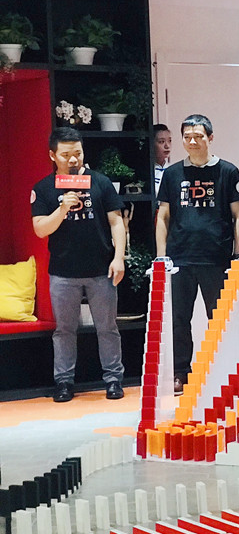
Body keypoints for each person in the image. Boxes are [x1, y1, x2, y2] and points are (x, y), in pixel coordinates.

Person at [31, 127, 126, 402]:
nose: (73, 159)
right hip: (63, 273)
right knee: (64, 330)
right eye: (66, 154)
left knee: (107, 328)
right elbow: (40, 229)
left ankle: (113, 380)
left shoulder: (100, 182)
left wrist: (119, 257)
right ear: (52, 155)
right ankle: (64, 382)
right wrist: (62, 208)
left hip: (101, 270)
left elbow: (116, 222)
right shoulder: (43, 188)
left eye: (78, 153)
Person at [156, 114, 239, 394]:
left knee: (218, 318)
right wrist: (162, 256)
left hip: (216, 258)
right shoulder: (172, 174)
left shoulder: (228, 171)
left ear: (210, 137)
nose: (192, 142)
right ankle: (180, 372)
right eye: (187, 137)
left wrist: (238, 255)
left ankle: (221, 369)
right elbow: (163, 216)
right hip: (179, 259)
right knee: (179, 320)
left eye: (198, 136)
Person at [153, 124, 171, 197]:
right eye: (161, 141)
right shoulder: (146, 171)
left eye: (169, 141)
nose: (167, 146)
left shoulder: (173, 169)